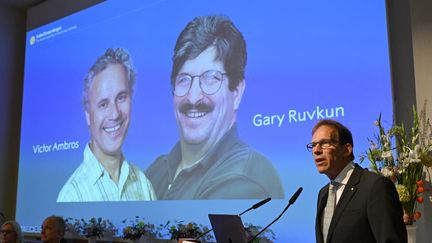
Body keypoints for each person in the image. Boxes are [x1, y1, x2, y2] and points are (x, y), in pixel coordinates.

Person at [146, 15, 284, 199]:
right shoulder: (156, 172)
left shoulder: (245, 179)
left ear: (236, 92)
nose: (193, 97)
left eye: (210, 78)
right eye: (183, 80)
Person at [57, 48, 156, 202]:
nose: (115, 114)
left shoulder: (144, 185)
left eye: (121, 97)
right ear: (88, 116)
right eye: (103, 104)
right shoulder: (72, 196)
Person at [308, 119, 407, 243]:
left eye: (325, 143)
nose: (316, 150)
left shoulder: (375, 187)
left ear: (346, 149)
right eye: (313, 145)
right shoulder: (324, 193)